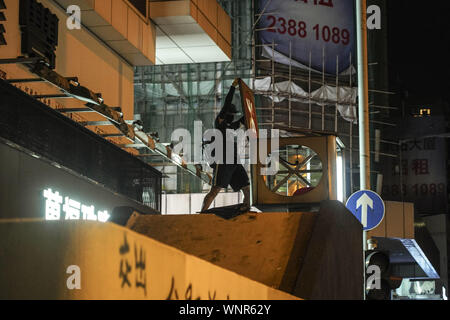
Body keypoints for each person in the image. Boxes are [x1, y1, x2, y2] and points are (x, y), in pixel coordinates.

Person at [201, 79, 251, 213]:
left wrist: (250, 107)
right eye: (230, 115)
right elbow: (226, 104)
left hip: (234, 161)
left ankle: (246, 207)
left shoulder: (231, 126)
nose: (231, 117)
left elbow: (244, 118)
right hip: (223, 161)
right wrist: (233, 87)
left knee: (246, 187)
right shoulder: (220, 123)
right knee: (215, 189)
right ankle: (202, 212)